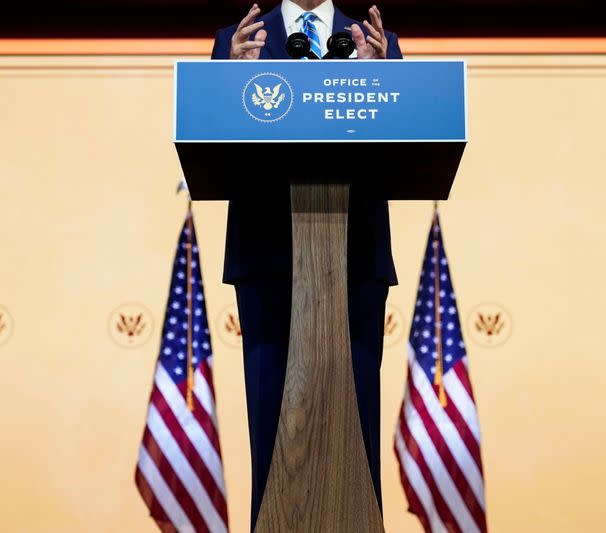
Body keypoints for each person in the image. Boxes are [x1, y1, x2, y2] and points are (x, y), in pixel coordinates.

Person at [211, 1, 402, 527]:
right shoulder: (238, 40)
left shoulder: (371, 40)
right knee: (272, 436)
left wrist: (383, 84)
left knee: (355, 430)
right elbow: (216, 142)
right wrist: (228, 87)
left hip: (355, 260)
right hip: (266, 260)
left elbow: (403, 143)